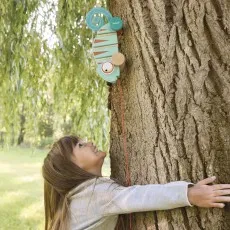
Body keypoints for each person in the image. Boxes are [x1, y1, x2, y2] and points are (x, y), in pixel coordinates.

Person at [42, 135, 230, 230]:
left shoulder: (80, 197)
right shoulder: (94, 194)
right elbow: (141, 196)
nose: (89, 142)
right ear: (71, 167)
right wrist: (189, 194)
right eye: (80, 145)